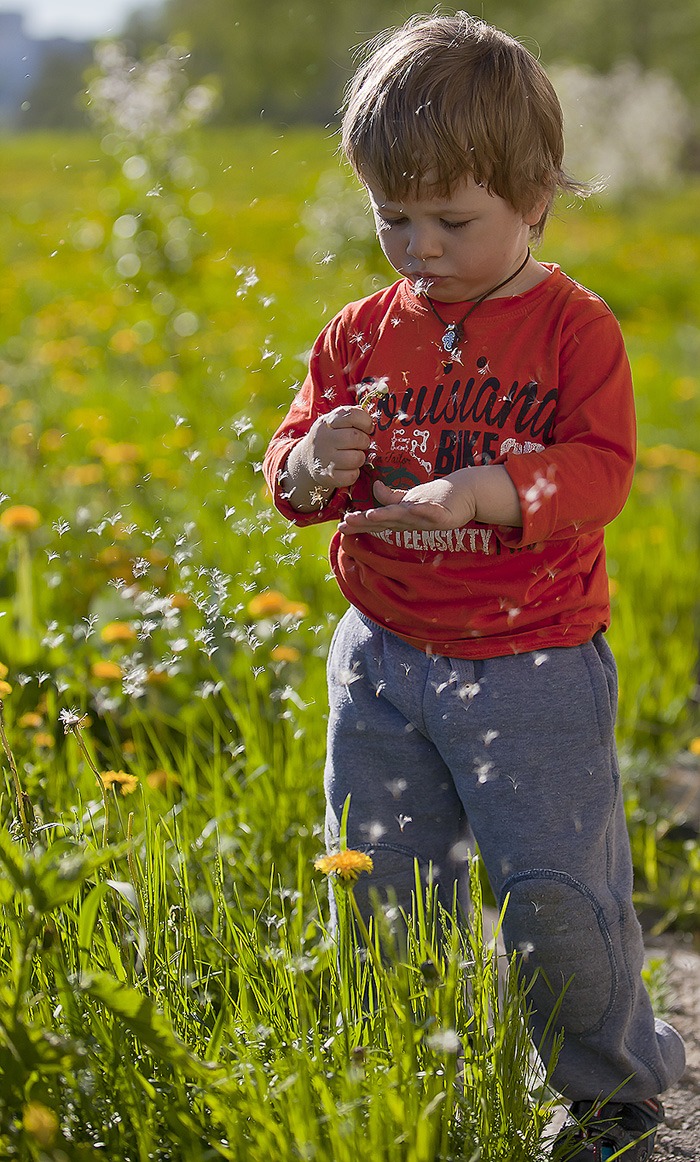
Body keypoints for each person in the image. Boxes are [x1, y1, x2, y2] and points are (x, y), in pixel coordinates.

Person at [262, 13, 685, 1159]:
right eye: (391, 216)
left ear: (535, 195)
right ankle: (409, 1066)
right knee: (379, 882)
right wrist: (309, 463)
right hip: (384, 658)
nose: (418, 247)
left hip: (532, 661)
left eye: (452, 219)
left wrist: (483, 491)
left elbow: (599, 472)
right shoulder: (357, 333)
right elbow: (294, 471)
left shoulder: (573, 328)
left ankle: (611, 1092)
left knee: (554, 890)